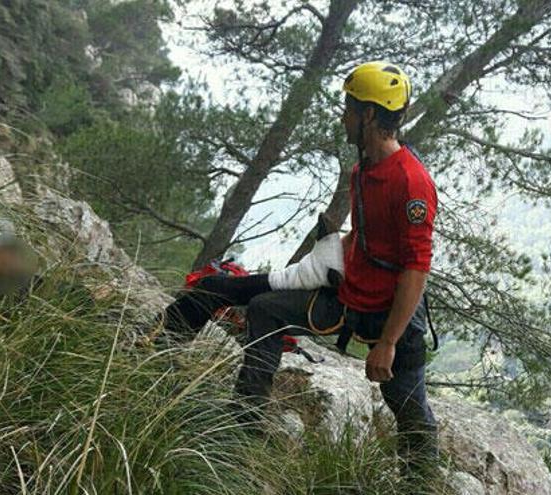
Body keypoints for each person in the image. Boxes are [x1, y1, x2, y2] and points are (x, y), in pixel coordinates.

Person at [158, 61, 439, 473]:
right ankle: (244, 422)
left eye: (349, 108)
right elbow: (361, 238)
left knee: (407, 406)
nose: (342, 117)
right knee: (266, 308)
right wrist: (322, 263)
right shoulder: (363, 169)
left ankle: (423, 479)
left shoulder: (410, 182)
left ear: (369, 115)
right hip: (349, 298)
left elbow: (416, 269)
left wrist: (389, 342)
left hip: (391, 314)